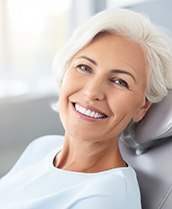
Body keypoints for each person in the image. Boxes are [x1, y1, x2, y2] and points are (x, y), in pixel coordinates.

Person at [0, 8, 172, 209]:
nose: (92, 92)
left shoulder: (106, 199)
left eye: (119, 81)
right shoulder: (42, 147)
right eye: (85, 68)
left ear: (142, 107)